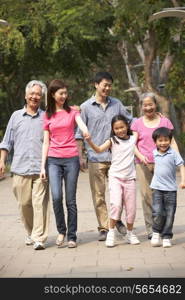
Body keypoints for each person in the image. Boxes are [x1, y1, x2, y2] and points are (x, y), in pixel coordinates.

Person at [75, 71, 133, 241]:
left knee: (120, 195)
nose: (107, 88)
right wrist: (81, 157)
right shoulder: (85, 107)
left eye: (109, 85)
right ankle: (104, 227)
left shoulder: (117, 104)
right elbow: (79, 134)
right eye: (104, 85)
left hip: (117, 158)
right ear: (96, 84)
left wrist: (151, 119)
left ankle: (115, 220)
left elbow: (130, 121)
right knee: (99, 195)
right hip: (95, 158)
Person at [0, 80, 50, 250]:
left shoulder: (46, 117)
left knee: (39, 204)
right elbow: (6, 142)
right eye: (32, 93)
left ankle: (39, 238)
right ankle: (31, 231)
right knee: (24, 204)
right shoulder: (16, 116)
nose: (34, 97)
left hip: (41, 168)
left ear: (42, 97)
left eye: (38, 94)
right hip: (20, 168)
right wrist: (1, 161)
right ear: (26, 95)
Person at [40, 79, 89, 248]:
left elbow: (81, 124)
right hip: (53, 160)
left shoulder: (73, 111)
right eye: (61, 93)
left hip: (71, 159)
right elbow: (46, 142)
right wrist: (42, 167)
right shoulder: (47, 115)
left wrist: (85, 130)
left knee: (70, 200)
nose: (64, 96)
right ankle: (61, 230)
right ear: (53, 94)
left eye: (65, 93)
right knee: (56, 197)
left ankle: (72, 235)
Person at [85, 115, 147, 247]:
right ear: (113, 130)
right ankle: (111, 232)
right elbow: (99, 150)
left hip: (130, 179)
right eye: (116, 128)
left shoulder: (132, 139)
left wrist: (142, 157)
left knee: (131, 210)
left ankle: (130, 233)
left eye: (122, 127)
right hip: (115, 178)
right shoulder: (112, 141)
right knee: (116, 205)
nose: (120, 130)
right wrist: (90, 141)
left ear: (127, 126)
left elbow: (136, 149)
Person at [131, 92, 179, 239]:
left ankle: (164, 228)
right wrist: (141, 156)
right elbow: (132, 144)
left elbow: (171, 142)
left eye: (150, 104)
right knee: (147, 197)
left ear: (155, 105)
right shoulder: (137, 123)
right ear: (141, 107)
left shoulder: (165, 121)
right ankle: (152, 229)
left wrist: (177, 159)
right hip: (143, 164)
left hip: (163, 164)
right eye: (145, 105)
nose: (148, 107)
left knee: (165, 196)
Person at [150, 127, 185, 248]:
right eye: (160, 140)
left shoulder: (173, 153)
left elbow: (181, 166)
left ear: (170, 141)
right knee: (157, 212)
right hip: (157, 189)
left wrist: (183, 181)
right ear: (155, 142)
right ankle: (155, 232)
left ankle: (166, 236)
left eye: (166, 140)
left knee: (170, 214)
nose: (163, 143)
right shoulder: (153, 153)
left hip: (171, 190)